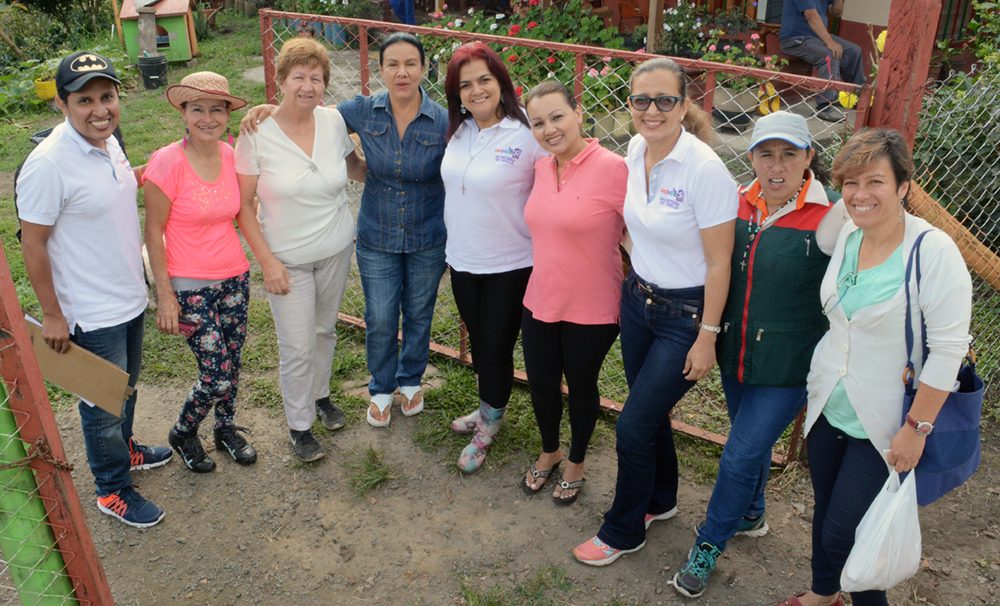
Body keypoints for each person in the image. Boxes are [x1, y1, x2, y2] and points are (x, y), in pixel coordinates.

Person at [781, 129, 972, 606]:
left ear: (905, 185)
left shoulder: (933, 252)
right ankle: (824, 595)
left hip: (887, 421)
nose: (860, 194)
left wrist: (917, 427)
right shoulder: (847, 232)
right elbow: (828, 231)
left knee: (845, 534)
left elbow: (948, 351)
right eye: (849, 183)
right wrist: (850, 204)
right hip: (829, 404)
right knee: (827, 511)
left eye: (875, 182)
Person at [670, 111, 847, 597]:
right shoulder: (735, 201)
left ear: (810, 157)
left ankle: (709, 544)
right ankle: (752, 513)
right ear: (750, 156)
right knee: (748, 445)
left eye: (790, 153)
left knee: (740, 453)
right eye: (765, 153)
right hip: (737, 353)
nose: (776, 164)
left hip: (791, 366)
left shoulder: (834, 214)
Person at [572, 57, 738, 566]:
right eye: (641, 99)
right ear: (630, 105)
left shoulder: (705, 170)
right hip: (639, 300)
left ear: (684, 105)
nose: (652, 109)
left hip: (684, 315)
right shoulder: (637, 147)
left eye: (665, 99)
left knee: (632, 425)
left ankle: (623, 530)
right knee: (650, 414)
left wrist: (707, 336)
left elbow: (719, 262)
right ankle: (660, 500)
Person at [241, 33, 444, 430]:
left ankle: (400, 381)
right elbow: (305, 113)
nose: (402, 72)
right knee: (377, 318)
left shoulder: (438, 119)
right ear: (380, 70)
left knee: (405, 315)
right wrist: (270, 108)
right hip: (358, 240)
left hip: (401, 237)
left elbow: (356, 164)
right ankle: (372, 391)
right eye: (392, 65)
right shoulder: (359, 111)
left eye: (411, 64)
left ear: (423, 69)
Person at [17, 51, 172, 528]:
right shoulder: (48, 164)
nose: (100, 109)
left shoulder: (109, 143)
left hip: (128, 294)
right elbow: (33, 245)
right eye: (85, 100)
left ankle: (124, 452)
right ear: (62, 104)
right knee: (102, 403)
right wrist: (54, 315)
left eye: (108, 96)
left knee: (123, 390)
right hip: (89, 310)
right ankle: (111, 489)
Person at [234, 38, 367, 462]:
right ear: (281, 80)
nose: (307, 85)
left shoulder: (332, 122)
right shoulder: (256, 133)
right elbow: (243, 208)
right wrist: (267, 262)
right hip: (286, 260)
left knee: (324, 330)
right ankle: (300, 425)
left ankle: (321, 396)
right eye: (298, 76)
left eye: (316, 77)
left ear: (324, 84)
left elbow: (353, 168)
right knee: (296, 345)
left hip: (335, 248)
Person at [517, 80, 628, 503]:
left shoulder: (613, 167)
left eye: (557, 116)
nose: (549, 129)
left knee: (582, 385)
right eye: (539, 122)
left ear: (579, 112)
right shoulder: (541, 167)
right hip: (541, 297)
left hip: (593, 305)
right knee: (542, 383)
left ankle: (577, 460)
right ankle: (550, 451)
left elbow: (639, 231)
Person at [143, 72, 258, 473]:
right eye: (197, 109)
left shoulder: (231, 155)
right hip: (188, 285)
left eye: (216, 109)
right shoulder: (166, 161)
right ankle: (184, 431)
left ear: (227, 113)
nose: (207, 118)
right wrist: (165, 295)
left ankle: (224, 429)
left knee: (234, 359)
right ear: (183, 113)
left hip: (234, 276)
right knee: (216, 371)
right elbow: (153, 232)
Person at [440, 42, 545, 473]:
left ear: (501, 83)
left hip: (510, 263)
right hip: (462, 260)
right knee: (482, 348)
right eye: (465, 85)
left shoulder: (527, 135)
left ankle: (487, 429)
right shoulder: (459, 129)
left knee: (496, 349)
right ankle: (488, 410)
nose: (476, 90)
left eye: (484, 79)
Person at [779, 0, 864, 123]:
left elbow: (836, 13)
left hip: (816, 38)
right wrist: (830, 42)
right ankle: (825, 106)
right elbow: (810, 15)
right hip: (794, 39)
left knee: (853, 51)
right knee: (830, 55)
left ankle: (856, 97)